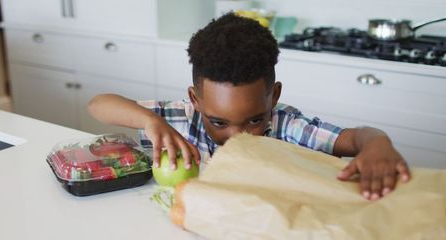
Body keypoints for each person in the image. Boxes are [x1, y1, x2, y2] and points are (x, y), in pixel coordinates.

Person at [88, 13, 410, 200]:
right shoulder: (183, 122)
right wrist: (149, 121)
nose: (238, 136)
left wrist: (378, 143)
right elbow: (98, 105)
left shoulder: (285, 126)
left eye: (255, 120)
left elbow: (357, 139)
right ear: (196, 101)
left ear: (274, 97)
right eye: (219, 122)